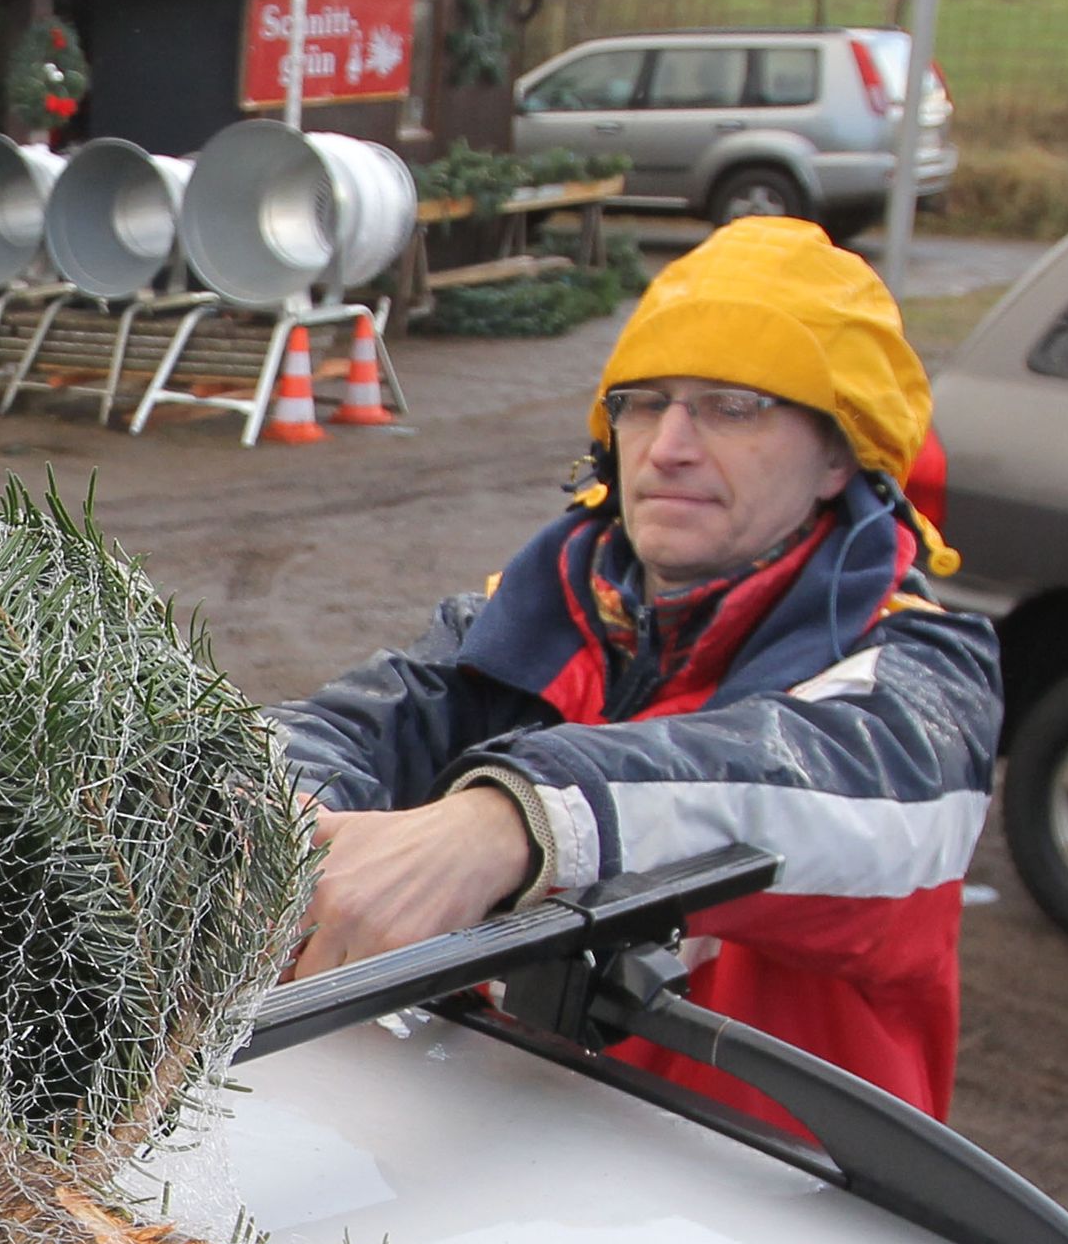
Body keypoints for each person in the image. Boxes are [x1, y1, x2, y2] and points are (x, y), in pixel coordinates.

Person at [272, 217, 1001, 1123]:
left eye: (735, 405)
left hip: (768, 1227)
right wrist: (278, 814)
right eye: (646, 401)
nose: (668, 448)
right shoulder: (531, 620)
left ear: (840, 456)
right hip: (480, 1195)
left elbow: (815, 790)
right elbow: (355, 725)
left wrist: (511, 822)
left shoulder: (918, 684)